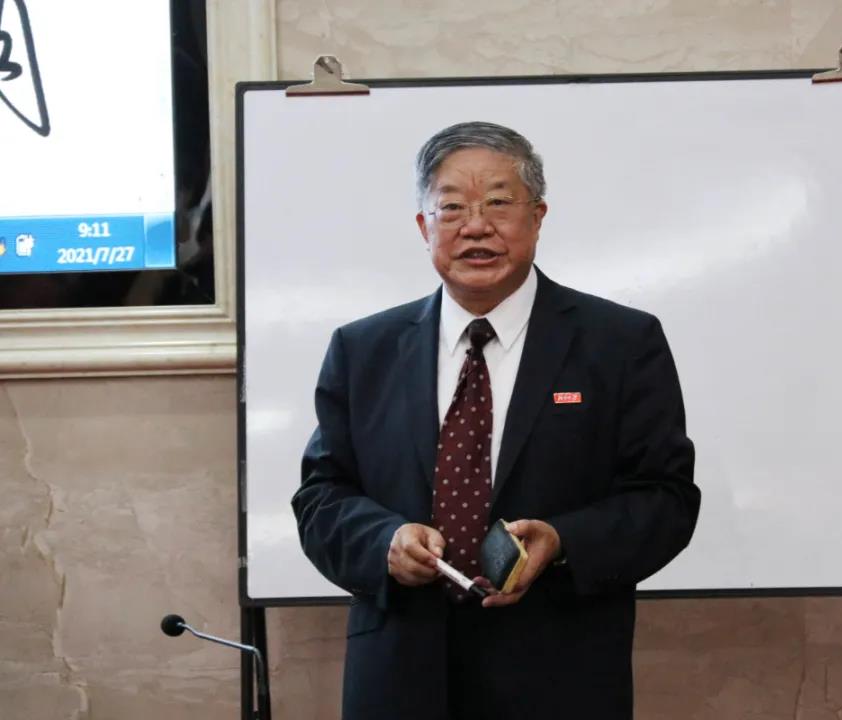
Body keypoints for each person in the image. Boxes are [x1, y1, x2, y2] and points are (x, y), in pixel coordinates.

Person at [292, 121, 700, 720]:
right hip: (400, 680)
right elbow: (321, 498)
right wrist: (384, 543)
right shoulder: (363, 350)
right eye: (453, 207)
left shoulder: (620, 343)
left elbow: (666, 499)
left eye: (499, 204)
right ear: (424, 226)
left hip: (561, 679)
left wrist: (562, 542)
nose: (476, 226)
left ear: (538, 217)